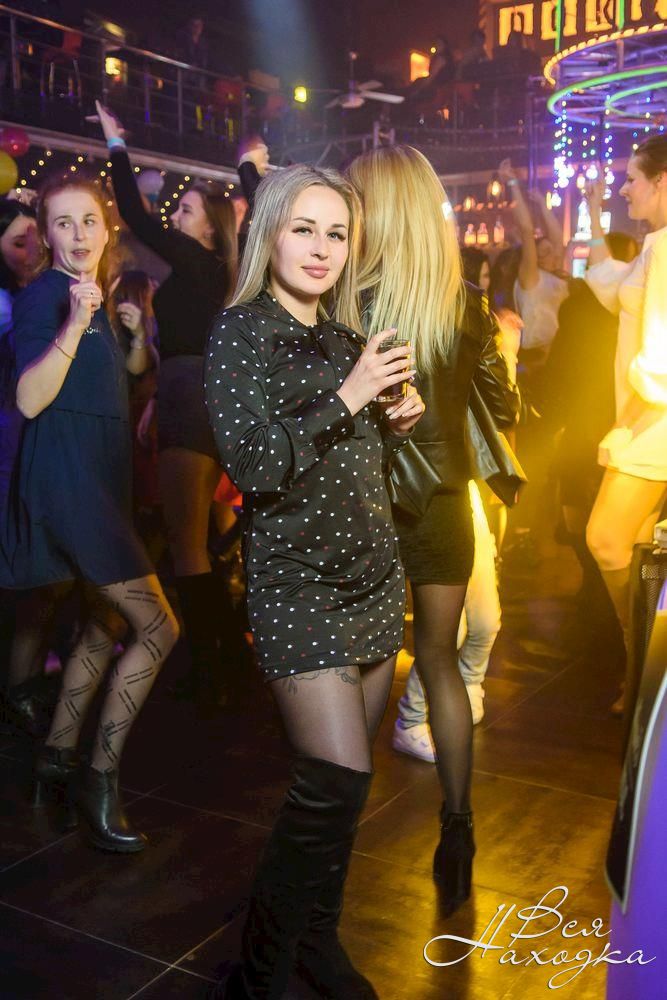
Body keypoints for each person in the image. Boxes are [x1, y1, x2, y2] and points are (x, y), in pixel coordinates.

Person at [204, 163, 424, 999]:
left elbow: (357, 457)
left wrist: (397, 416)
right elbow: (255, 465)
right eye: (304, 228)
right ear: (270, 232)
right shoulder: (240, 332)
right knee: (327, 781)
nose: (322, 247)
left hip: (373, 576)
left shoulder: (345, 335)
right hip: (298, 583)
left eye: (336, 232)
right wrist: (352, 392)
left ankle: (316, 940)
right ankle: (258, 973)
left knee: (351, 787)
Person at [347, 145, 520, 911]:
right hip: (447, 503)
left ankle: (335, 824)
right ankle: (457, 823)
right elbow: (503, 409)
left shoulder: (352, 303)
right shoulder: (464, 304)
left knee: (368, 662)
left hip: (372, 501)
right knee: (440, 662)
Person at [0, 175, 179, 851]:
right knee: (157, 627)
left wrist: (127, 337)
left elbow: (117, 383)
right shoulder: (44, 296)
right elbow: (29, 397)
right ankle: (98, 777)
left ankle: (55, 757)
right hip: (68, 483)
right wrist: (76, 324)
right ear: (47, 236)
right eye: (63, 223)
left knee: (104, 625)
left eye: (88, 221)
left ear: (107, 230)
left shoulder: (93, 296)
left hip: (102, 481)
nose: (78, 233)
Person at [95, 100, 245, 715]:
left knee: (186, 546)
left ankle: (211, 669)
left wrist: (116, 143)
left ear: (209, 229)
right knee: (198, 537)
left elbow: (133, 214)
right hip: (197, 394)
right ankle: (227, 660)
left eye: (185, 211)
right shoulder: (212, 271)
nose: (174, 215)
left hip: (189, 397)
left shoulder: (196, 260)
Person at [584, 137, 667, 712]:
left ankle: (641, 660)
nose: (623, 188)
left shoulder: (664, 248)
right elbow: (609, 284)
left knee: (606, 540)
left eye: (632, 178)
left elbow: (660, 362)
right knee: (637, 553)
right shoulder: (652, 245)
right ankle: (643, 674)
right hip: (648, 419)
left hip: (654, 423)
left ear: (662, 181)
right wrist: (593, 214)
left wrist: (624, 426)